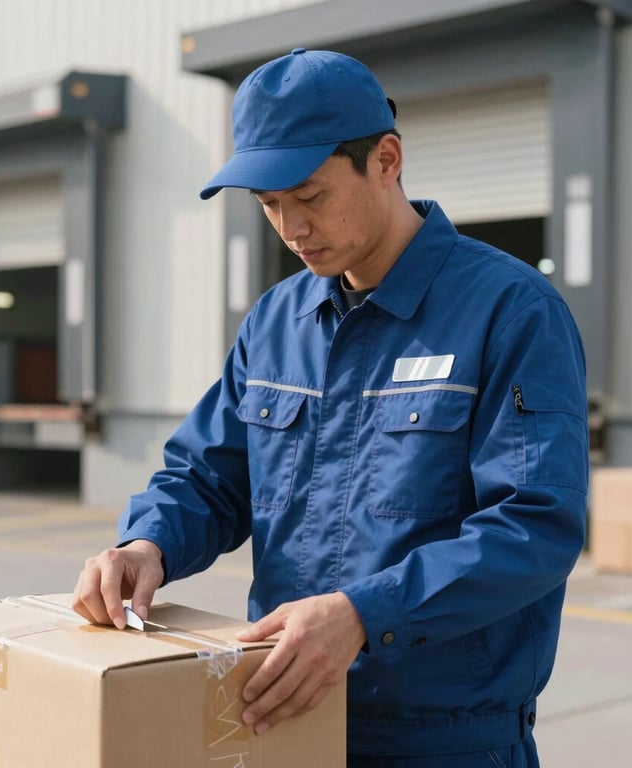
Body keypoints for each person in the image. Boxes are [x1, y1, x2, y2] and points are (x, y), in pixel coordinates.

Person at [73, 48, 589, 767]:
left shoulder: (509, 312)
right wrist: (146, 543)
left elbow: (535, 528)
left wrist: (362, 615)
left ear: (385, 159)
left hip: (444, 742)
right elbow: (210, 477)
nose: (290, 227)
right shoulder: (277, 320)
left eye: (309, 196)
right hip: (284, 718)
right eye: (268, 205)